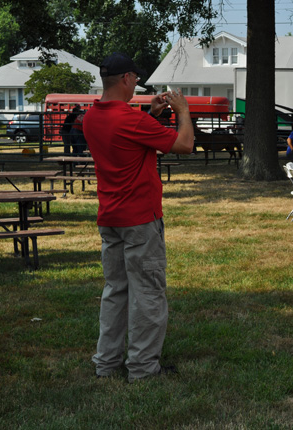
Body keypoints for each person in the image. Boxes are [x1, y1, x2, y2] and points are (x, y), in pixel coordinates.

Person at [82, 52, 194, 383]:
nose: (136, 86)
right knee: (147, 293)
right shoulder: (132, 120)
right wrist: (182, 111)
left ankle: (107, 362)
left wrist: (151, 113)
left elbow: (129, 137)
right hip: (140, 220)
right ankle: (144, 369)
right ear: (127, 79)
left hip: (110, 217)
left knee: (116, 290)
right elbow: (185, 144)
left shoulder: (92, 117)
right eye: (135, 80)